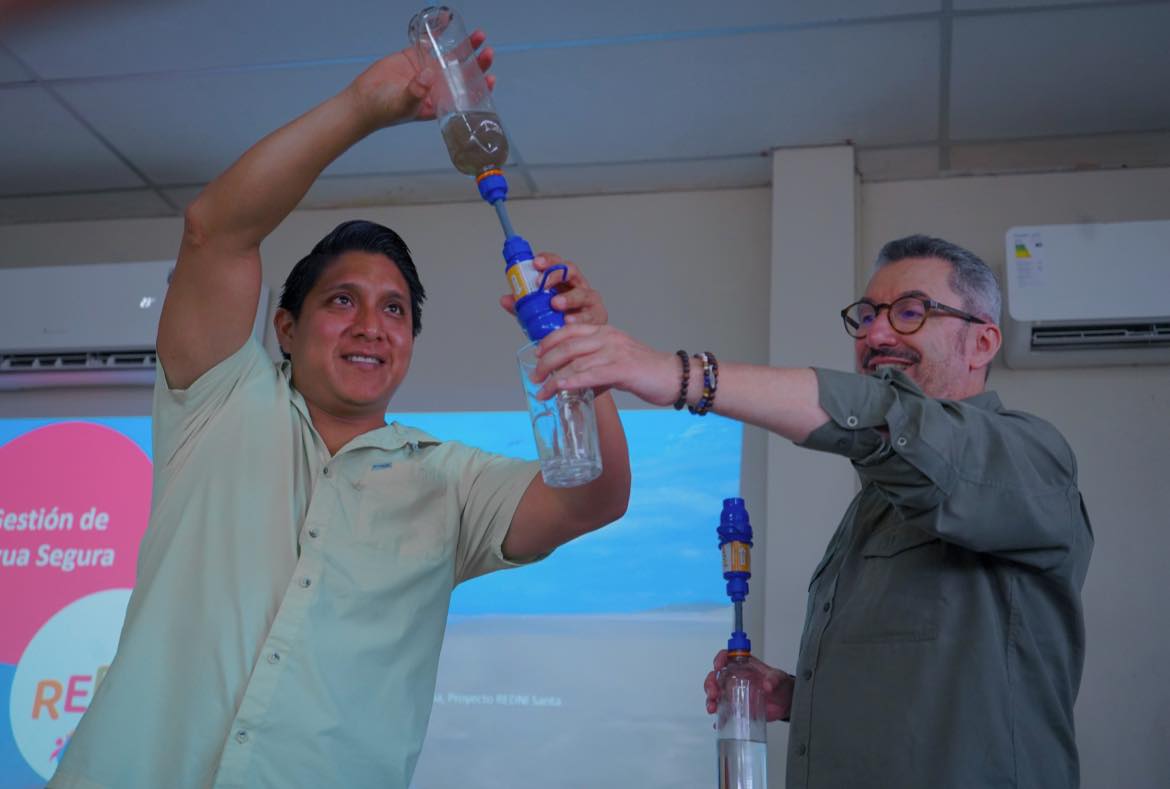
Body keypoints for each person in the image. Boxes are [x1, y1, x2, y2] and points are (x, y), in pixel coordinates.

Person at [49, 32, 631, 789]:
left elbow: (593, 497)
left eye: (394, 310)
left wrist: (583, 355)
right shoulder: (219, 402)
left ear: (410, 343)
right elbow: (214, 230)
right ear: (285, 329)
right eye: (341, 301)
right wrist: (361, 108)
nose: (370, 327)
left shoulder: (449, 483)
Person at [529, 234, 1093, 788]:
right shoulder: (879, 499)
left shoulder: (1033, 460)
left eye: (910, 312)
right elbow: (937, 702)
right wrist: (799, 696)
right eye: (867, 315)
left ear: (982, 342)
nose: (876, 333)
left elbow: (888, 415)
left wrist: (680, 375)